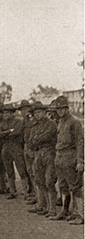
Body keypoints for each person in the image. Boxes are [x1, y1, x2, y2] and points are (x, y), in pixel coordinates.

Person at [52, 96, 84, 224]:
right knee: (63, 185)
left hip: (70, 156)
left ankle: (80, 215)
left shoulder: (74, 121)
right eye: (58, 108)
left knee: (75, 186)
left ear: (67, 108)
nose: (60, 111)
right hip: (60, 156)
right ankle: (65, 211)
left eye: (62, 108)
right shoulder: (60, 121)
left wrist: (80, 160)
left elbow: (80, 142)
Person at [26, 102, 58, 217]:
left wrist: (36, 139)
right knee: (39, 180)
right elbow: (30, 141)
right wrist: (35, 140)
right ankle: (43, 205)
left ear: (44, 112)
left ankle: (52, 208)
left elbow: (47, 136)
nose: (37, 114)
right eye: (35, 113)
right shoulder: (35, 126)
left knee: (49, 181)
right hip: (38, 153)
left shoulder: (51, 124)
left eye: (39, 112)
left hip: (49, 153)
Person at [0, 104, 30, 199]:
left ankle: (25, 192)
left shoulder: (18, 122)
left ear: (12, 113)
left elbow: (17, 133)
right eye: (4, 113)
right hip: (6, 147)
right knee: (9, 169)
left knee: (21, 170)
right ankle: (12, 191)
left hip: (16, 147)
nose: (6, 114)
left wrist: (5, 133)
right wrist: (8, 131)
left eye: (8, 112)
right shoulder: (3, 123)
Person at [19, 100, 37, 204]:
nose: (23, 111)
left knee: (35, 172)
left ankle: (37, 194)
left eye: (24, 109)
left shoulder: (32, 119)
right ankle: (33, 193)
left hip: (32, 148)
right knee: (29, 171)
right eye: (21, 109)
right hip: (26, 146)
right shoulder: (24, 120)